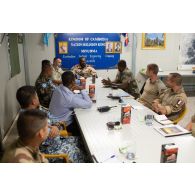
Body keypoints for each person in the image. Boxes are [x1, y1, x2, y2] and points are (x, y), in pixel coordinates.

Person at [16, 85, 88, 163]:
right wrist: (54, 127)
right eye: (36, 96)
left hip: (60, 141)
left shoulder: (36, 109)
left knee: (82, 141)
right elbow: (49, 134)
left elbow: (54, 118)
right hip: (52, 150)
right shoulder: (29, 120)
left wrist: (56, 125)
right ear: (33, 101)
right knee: (83, 153)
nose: (38, 98)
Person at [49, 71, 93, 135]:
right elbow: (89, 104)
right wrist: (82, 89)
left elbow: (73, 96)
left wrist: (84, 95)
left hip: (52, 119)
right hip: (62, 125)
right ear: (73, 82)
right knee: (85, 125)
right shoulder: (69, 99)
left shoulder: (58, 89)